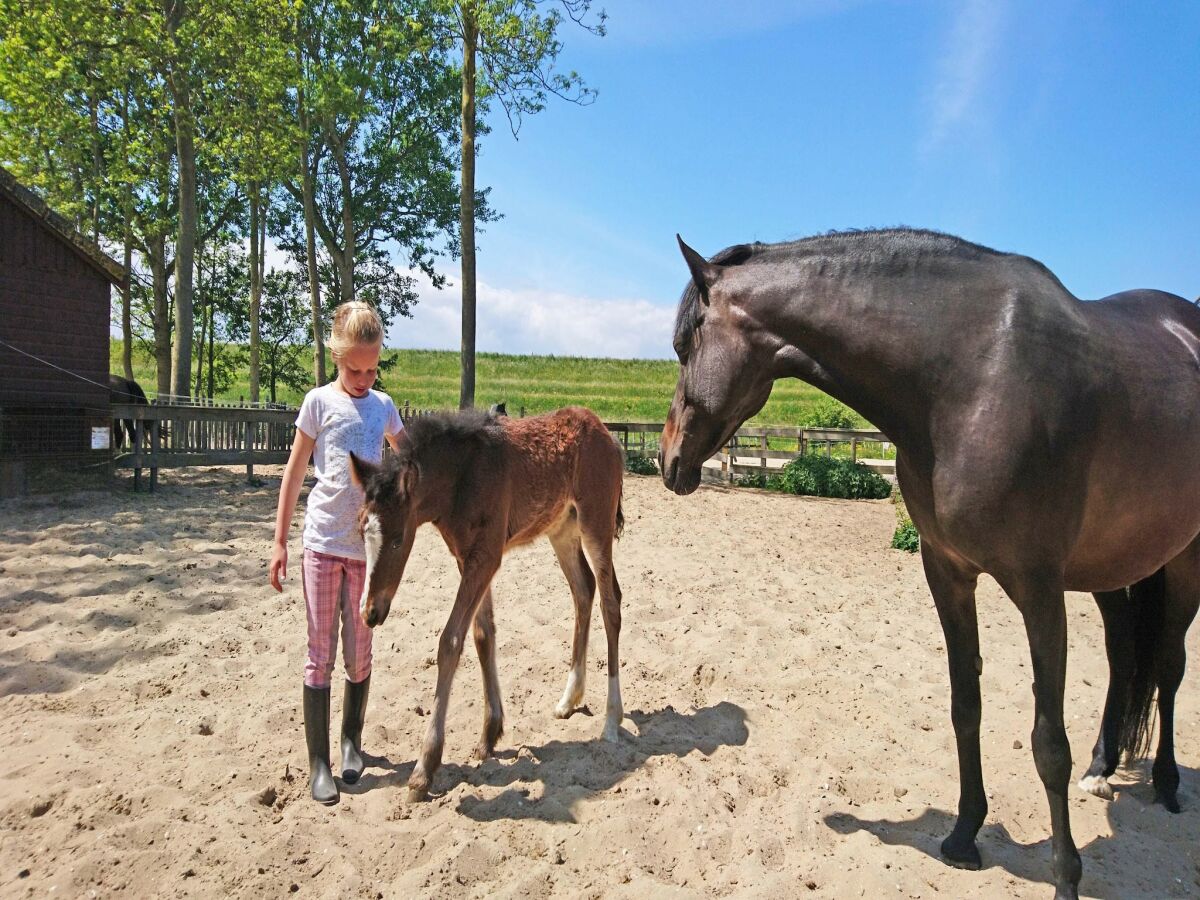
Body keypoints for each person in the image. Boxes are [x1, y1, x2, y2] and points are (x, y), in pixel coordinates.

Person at [269, 301, 404, 804]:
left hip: (364, 552)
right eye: (355, 368)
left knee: (360, 651)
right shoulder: (318, 403)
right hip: (323, 545)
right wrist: (280, 540)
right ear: (336, 357)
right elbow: (294, 471)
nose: (364, 377)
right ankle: (319, 761)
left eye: (372, 368)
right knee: (319, 652)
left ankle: (352, 741)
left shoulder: (384, 406)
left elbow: (410, 459)